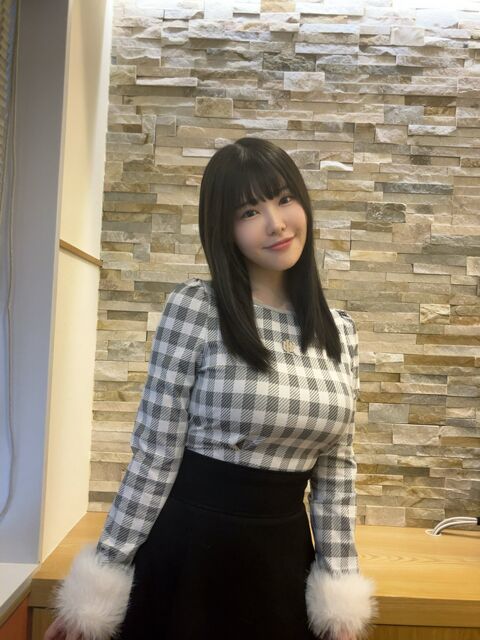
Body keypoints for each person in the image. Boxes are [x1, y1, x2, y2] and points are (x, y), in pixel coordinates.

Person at [45, 137, 377, 640]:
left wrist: (340, 596)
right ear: (224, 228)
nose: (276, 223)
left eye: (284, 199)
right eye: (250, 211)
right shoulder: (196, 309)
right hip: (188, 556)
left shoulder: (339, 331)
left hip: (284, 563)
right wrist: (98, 582)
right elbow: (154, 455)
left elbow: (336, 474)